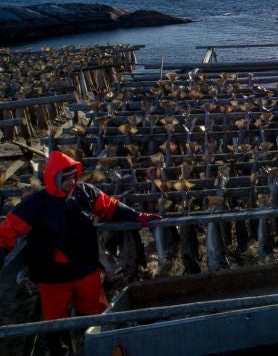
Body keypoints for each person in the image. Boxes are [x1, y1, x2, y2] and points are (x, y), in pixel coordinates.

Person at [0, 150, 161, 355]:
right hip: (52, 276)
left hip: (86, 270)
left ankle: (96, 348)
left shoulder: (84, 192)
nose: (71, 182)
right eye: (65, 179)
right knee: (55, 323)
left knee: (95, 316)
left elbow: (109, 206)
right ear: (53, 178)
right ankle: (61, 351)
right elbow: (9, 229)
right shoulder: (35, 204)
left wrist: (136, 215)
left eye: (73, 177)